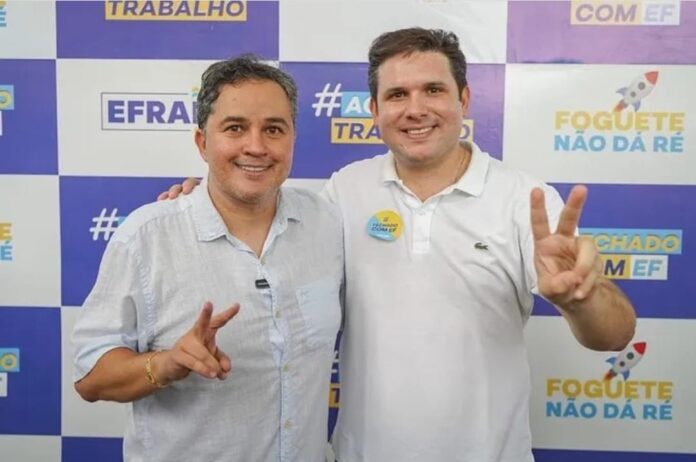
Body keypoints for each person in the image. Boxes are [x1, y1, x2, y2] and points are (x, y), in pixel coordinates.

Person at [163, 28, 636, 462]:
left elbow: (614, 336)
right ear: (374, 111)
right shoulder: (345, 189)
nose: (415, 109)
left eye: (433, 90)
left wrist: (582, 298)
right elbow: (266, 226)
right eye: (396, 95)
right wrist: (212, 197)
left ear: (464, 99)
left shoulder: (524, 199)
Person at [72, 55, 343, 462]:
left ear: (292, 140)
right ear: (202, 142)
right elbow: (90, 377)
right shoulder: (146, 237)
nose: (256, 146)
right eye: (235, 128)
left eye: (273, 129)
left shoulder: (327, 222)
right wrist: (166, 364)